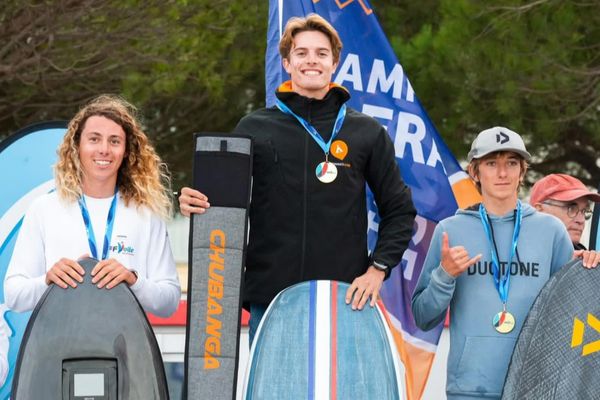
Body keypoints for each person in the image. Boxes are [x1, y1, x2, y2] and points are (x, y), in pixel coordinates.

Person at [179, 14, 416, 343]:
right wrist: (193, 201)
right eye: (301, 53)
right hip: (271, 298)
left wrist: (378, 270)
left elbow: (400, 210)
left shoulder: (366, 132)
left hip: (345, 297)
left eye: (321, 53)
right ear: (287, 63)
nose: (311, 61)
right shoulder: (253, 128)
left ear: (335, 62)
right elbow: (219, 203)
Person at [411, 127, 579, 400]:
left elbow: (569, 313)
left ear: (522, 171)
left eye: (511, 163)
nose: (502, 173)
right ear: (475, 173)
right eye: (492, 163)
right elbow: (423, 317)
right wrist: (445, 275)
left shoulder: (551, 231)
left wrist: (588, 268)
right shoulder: (450, 231)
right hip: (469, 389)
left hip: (535, 387)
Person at [5, 95, 181, 318]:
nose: (104, 150)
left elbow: (169, 302)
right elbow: (14, 295)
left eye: (115, 141)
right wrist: (47, 280)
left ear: (126, 150)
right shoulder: (45, 208)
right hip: (55, 346)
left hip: (126, 347)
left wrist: (133, 280)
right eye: (94, 139)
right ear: (77, 145)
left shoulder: (145, 213)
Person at [530, 173, 600, 266]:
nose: (581, 220)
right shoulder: (512, 255)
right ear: (539, 210)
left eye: (584, 211)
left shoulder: (586, 261)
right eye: (571, 208)